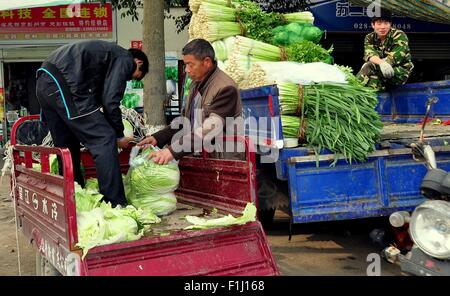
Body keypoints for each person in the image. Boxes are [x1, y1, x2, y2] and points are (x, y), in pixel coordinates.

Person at [35, 40, 149, 207]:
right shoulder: (125, 58)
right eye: (131, 77)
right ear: (138, 62)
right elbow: (110, 100)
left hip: (45, 82)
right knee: (104, 139)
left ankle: (73, 193)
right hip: (64, 83)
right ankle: (114, 203)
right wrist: (118, 134)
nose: (128, 79)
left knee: (66, 143)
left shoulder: (105, 56)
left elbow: (101, 99)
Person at [138, 38, 242, 164]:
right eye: (185, 64)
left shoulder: (225, 88)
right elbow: (184, 121)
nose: (186, 69)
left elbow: (210, 129)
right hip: (202, 158)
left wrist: (172, 151)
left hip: (222, 161)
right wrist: (157, 138)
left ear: (207, 62)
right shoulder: (195, 85)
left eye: (190, 64)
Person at [356, 9, 414, 91]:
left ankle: (354, 88)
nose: (382, 27)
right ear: (373, 25)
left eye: (386, 23)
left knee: (368, 66)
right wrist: (381, 63)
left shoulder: (399, 35)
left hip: (399, 71)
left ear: (390, 24)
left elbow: (394, 58)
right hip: (379, 70)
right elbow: (370, 55)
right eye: (379, 23)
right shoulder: (369, 37)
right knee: (373, 79)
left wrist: (374, 65)